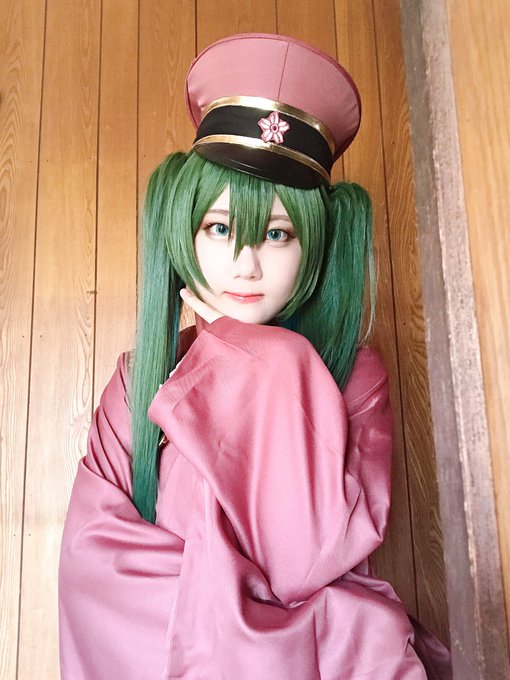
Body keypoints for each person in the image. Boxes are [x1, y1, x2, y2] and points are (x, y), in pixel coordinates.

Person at [58, 33, 452, 679]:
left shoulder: (355, 379)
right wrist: (267, 618)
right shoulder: (139, 380)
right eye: (220, 228)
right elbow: (96, 574)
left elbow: (309, 554)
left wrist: (262, 358)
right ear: (184, 235)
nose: (246, 264)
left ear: (312, 247)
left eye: (276, 233)